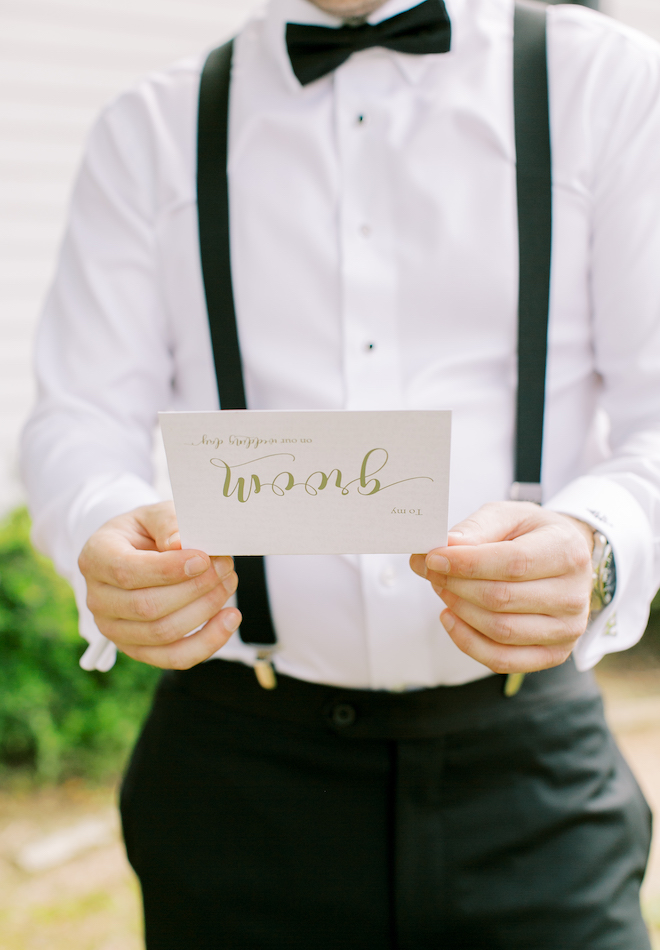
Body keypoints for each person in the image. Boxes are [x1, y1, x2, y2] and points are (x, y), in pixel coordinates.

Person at [20, 0, 660, 944]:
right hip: (237, 784)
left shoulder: (609, 84)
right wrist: (100, 524)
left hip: (526, 773)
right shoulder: (149, 127)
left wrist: (598, 547)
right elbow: (76, 415)